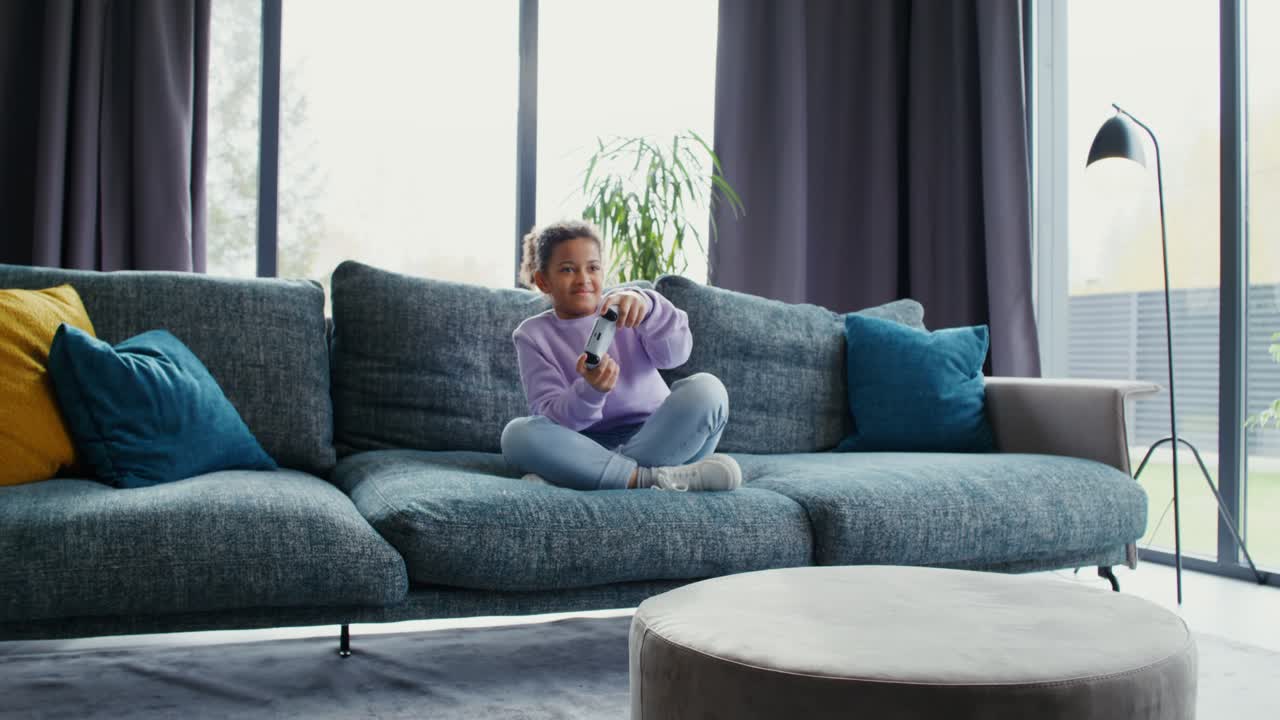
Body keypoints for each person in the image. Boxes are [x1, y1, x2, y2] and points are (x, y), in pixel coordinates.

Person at [501, 219, 742, 492]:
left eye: (593, 268)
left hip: (660, 434)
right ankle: (649, 479)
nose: (583, 279)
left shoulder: (629, 305)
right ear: (543, 281)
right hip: (585, 444)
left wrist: (651, 307)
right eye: (568, 269)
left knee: (708, 389)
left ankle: (586, 476)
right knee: (517, 435)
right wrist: (590, 391)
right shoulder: (532, 335)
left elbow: (675, 357)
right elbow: (552, 418)